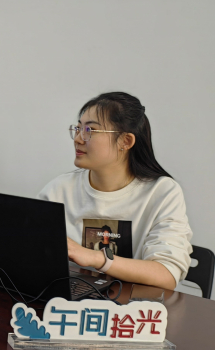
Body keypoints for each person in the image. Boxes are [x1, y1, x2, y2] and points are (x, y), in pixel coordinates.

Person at [38, 92, 192, 290]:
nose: (77, 139)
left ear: (125, 141)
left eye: (90, 130)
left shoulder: (162, 192)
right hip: (70, 299)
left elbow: (167, 274)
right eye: (78, 128)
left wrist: (95, 258)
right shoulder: (59, 189)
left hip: (132, 306)